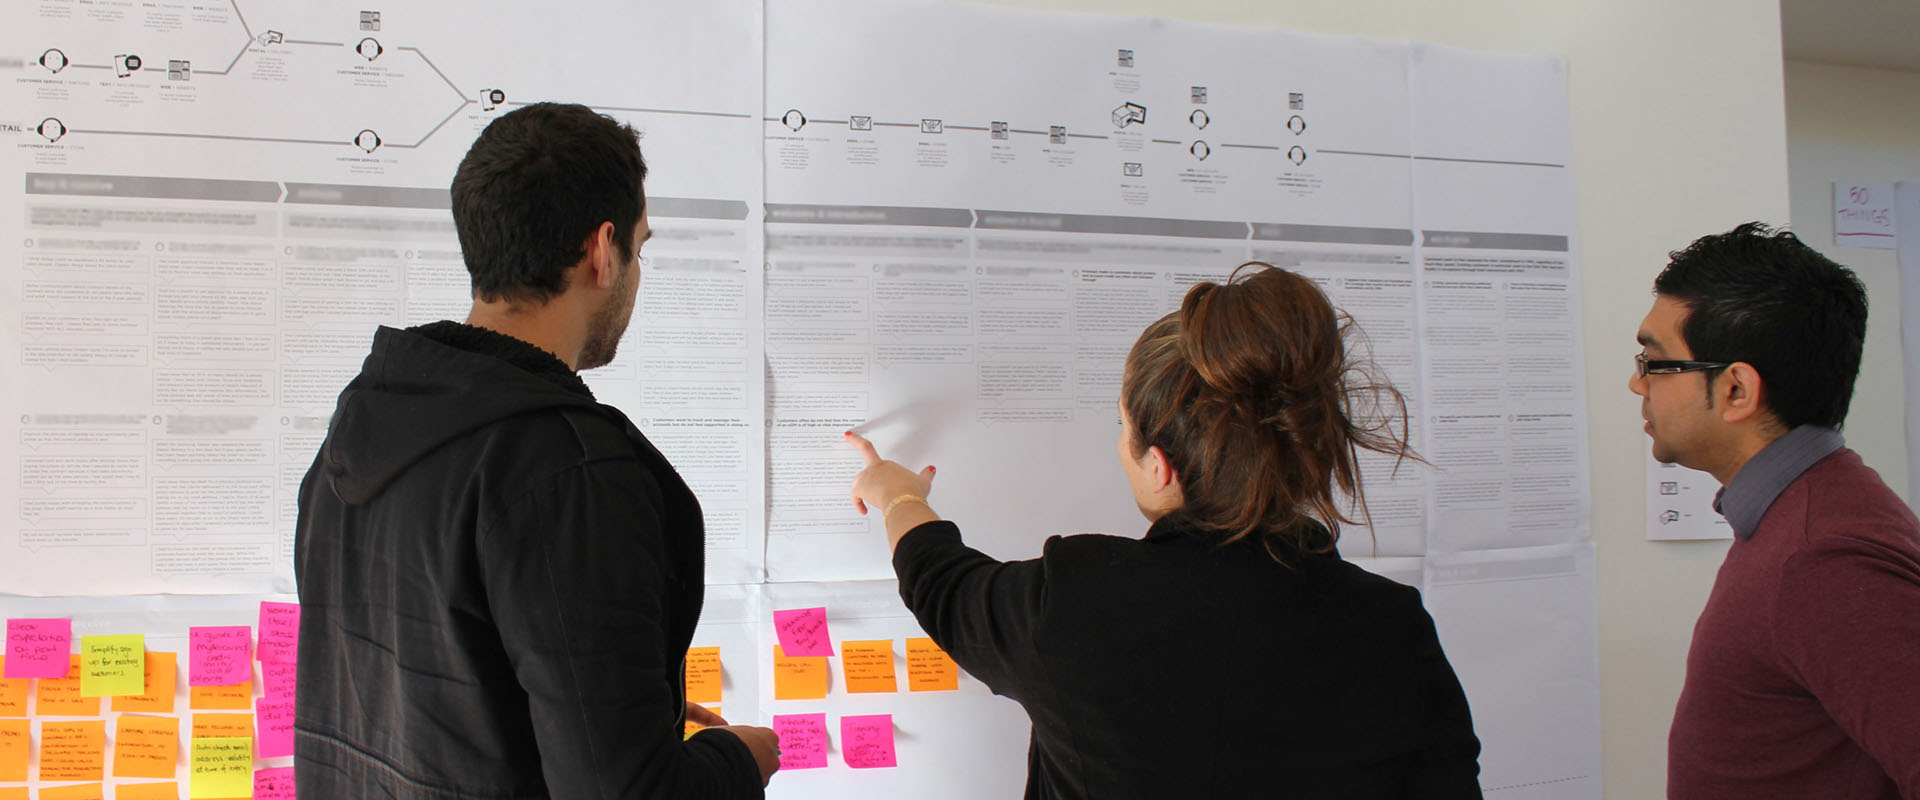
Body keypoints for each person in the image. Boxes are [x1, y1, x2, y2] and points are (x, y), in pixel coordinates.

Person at [847, 263, 1483, 798]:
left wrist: (897, 494)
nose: (1120, 444)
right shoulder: (1393, 627)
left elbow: (943, 585)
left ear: (1160, 465)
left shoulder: (1080, 602)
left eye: (1125, 427)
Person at [294, 102, 778, 797]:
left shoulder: (364, 420)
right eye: (640, 247)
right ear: (601, 250)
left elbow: (434, 706)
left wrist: (629, 730)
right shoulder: (567, 470)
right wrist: (741, 758)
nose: (635, 269)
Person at [1630, 222, 1920, 799]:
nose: (1637, 384)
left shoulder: (1824, 558)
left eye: (1655, 364)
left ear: (1736, 389)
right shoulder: (1798, 511)